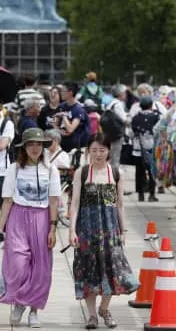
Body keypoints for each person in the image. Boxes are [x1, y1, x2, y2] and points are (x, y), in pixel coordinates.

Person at [0, 128, 60, 328]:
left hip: (42, 217)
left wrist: (53, 228)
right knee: (18, 264)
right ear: (24, 147)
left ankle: (33, 311)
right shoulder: (14, 169)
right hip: (18, 217)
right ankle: (20, 301)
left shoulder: (51, 170)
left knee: (41, 267)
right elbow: (6, 201)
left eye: (39, 144)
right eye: (31, 144)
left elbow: (54, 201)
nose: (35, 148)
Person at [69, 133, 138, 329]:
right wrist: (72, 230)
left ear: (108, 151)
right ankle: (92, 315)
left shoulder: (116, 173)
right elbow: (74, 204)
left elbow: (120, 205)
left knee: (113, 271)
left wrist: (122, 231)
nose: (98, 154)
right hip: (87, 231)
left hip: (110, 231)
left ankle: (104, 308)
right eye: (94, 150)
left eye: (102, 150)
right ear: (88, 151)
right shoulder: (81, 173)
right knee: (88, 272)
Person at [131, 96, 160, 202]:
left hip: (138, 148)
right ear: (151, 105)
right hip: (152, 148)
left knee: (139, 171)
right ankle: (151, 194)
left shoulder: (135, 118)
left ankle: (140, 194)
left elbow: (132, 132)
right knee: (152, 171)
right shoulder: (156, 117)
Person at [55, 82, 90, 153]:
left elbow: (71, 129)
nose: (61, 93)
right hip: (62, 143)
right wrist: (59, 130)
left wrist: (64, 116)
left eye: (63, 91)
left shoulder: (79, 109)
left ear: (70, 93)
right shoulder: (62, 106)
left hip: (76, 146)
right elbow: (55, 123)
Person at [105, 84, 130, 168]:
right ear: (121, 93)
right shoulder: (118, 104)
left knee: (111, 155)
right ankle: (114, 176)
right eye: (125, 93)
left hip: (110, 132)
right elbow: (124, 120)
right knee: (115, 157)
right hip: (117, 133)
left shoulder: (111, 103)